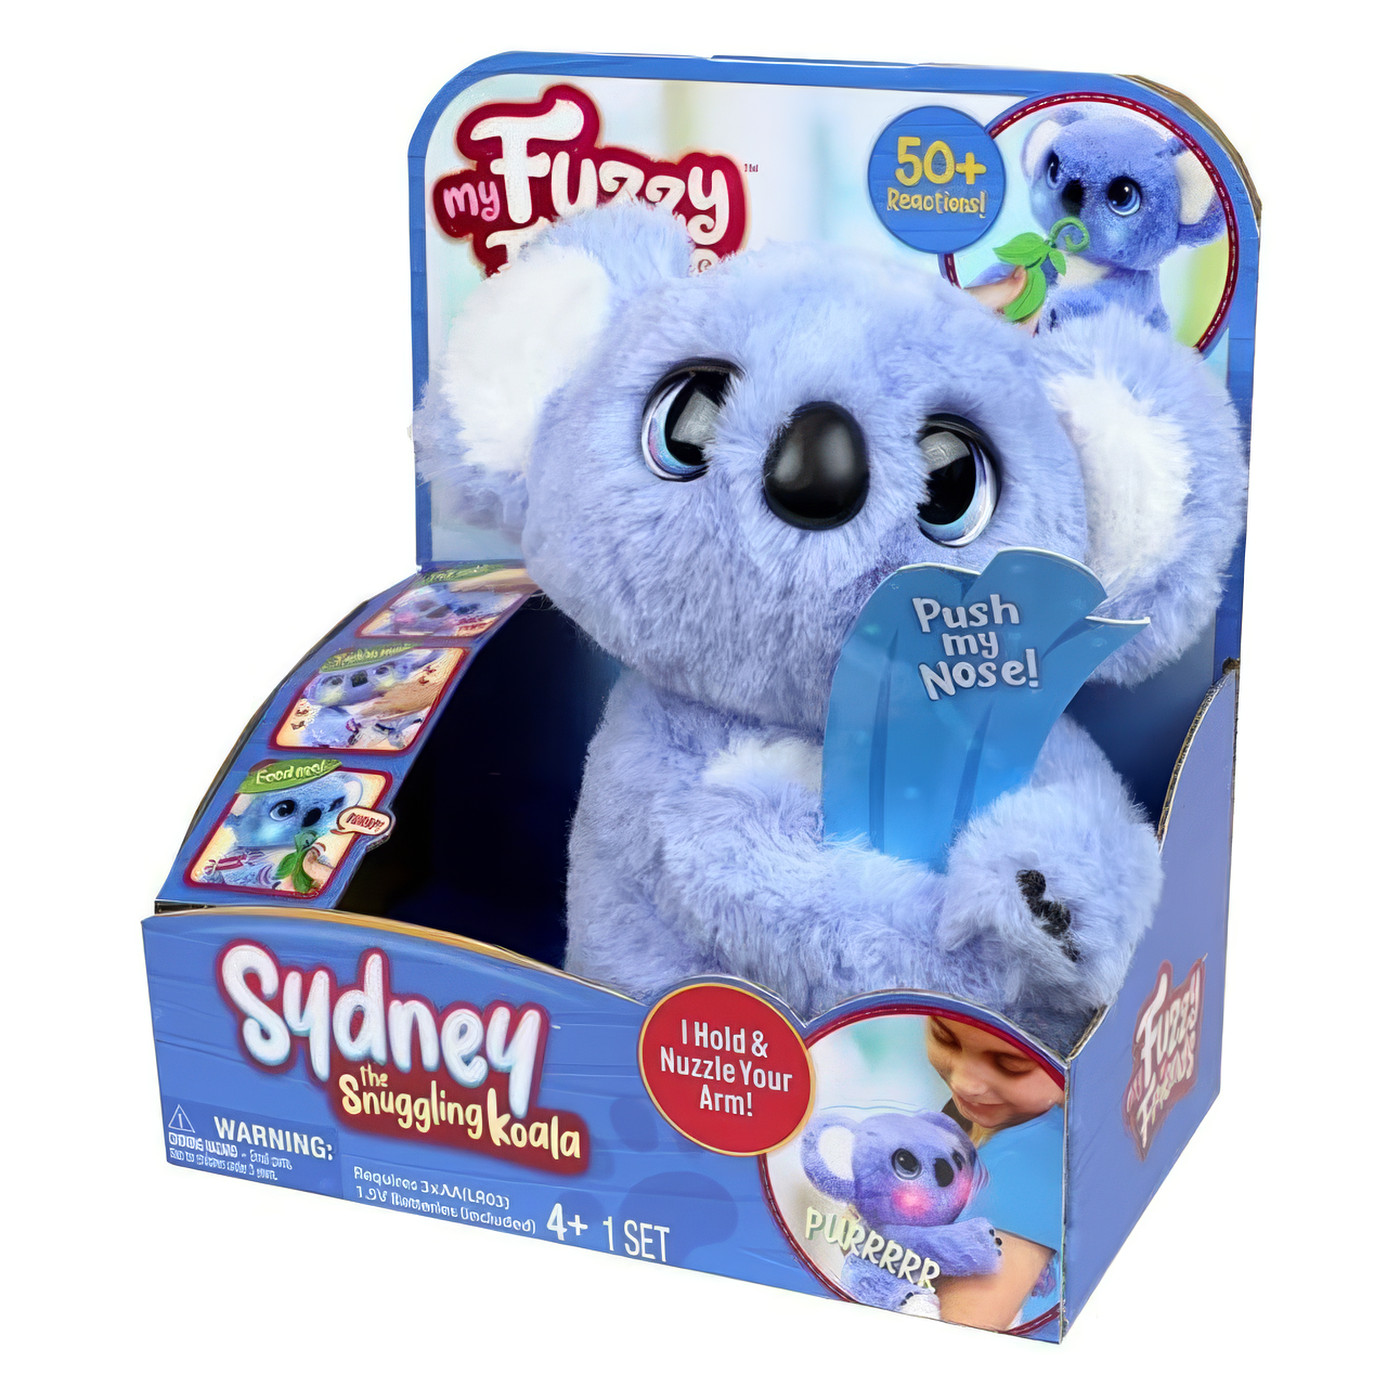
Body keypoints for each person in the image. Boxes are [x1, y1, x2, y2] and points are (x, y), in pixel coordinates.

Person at [923, 1014, 1065, 1331]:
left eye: (1012, 1064)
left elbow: (963, 1327)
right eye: (944, 1037)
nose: (963, 1083)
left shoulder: (1026, 1162)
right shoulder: (970, 1119)